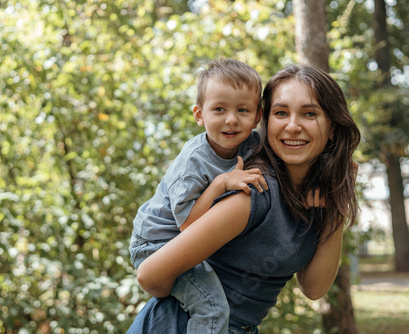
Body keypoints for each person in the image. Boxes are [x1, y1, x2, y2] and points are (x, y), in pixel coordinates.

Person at [127, 64, 361, 333]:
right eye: (281, 113)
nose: (293, 126)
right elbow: (149, 274)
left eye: (309, 114)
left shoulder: (313, 198)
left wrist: (336, 202)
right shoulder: (253, 191)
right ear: (267, 121)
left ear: (333, 126)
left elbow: (314, 288)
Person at [129, 58, 268, 334]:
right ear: (199, 115)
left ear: (257, 116)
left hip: (183, 241)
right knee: (212, 309)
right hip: (157, 244)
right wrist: (219, 184)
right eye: (219, 109)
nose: (231, 119)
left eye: (242, 110)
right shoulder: (192, 165)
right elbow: (187, 228)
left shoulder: (252, 143)